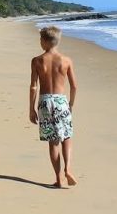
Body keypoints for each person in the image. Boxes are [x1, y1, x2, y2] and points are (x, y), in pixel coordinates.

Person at [29, 25, 78, 187]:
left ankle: (58, 178)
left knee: (53, 141)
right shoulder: (66, 60)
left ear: (43, 42)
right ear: (57, 41)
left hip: (44, 102)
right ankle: (68, 169)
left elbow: (33, 86)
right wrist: (70, 103)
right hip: (60, 101)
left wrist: (31, 108)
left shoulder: (37, 60)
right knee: (66, 136)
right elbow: (74, 86)